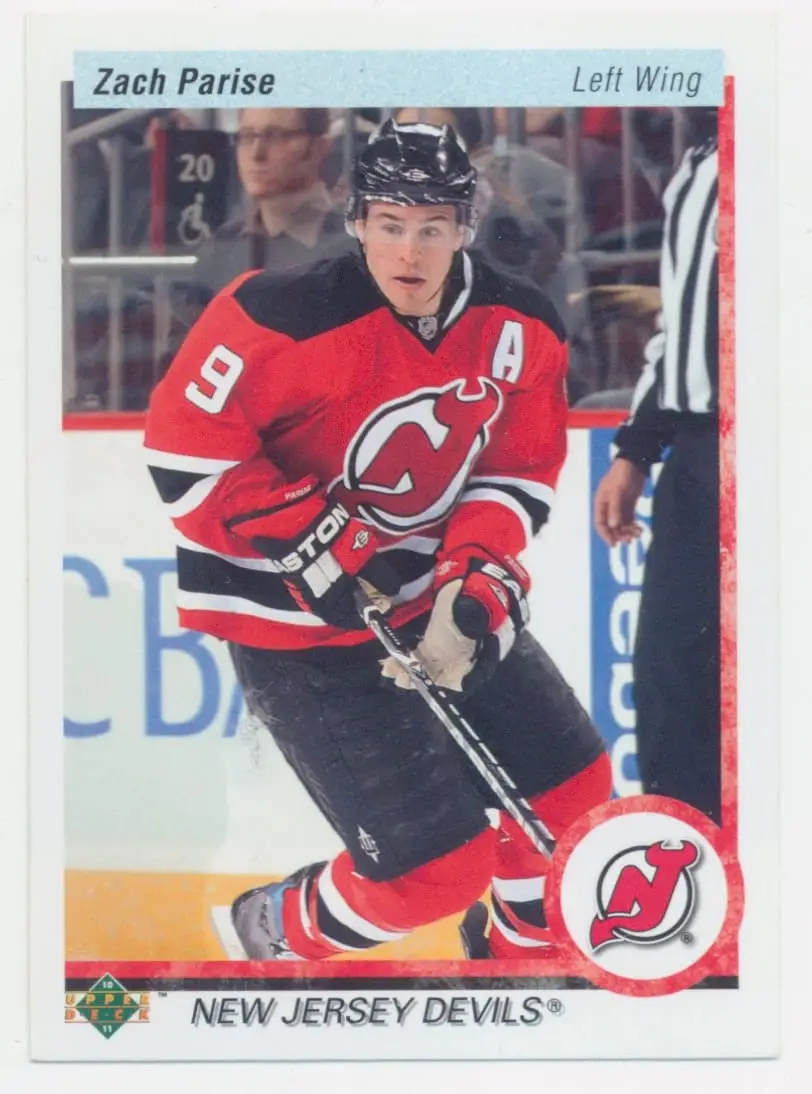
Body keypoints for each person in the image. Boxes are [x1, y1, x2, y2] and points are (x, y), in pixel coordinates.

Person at [144, 120, 611, 962]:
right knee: (431, 876)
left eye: (432, 227)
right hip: (298, 630)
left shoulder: (521, 327)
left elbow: (516, 474)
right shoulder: (275, 314)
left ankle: (518, 966)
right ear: (356, 221)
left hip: (431, 597)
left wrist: (471, 584)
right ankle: (261, 934)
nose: (409, 250)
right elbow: (185, 452)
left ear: (465, 228)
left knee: (572, 802)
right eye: (390, 224)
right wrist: (313, 537)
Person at [592, 114, 721, 823]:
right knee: (671, 674)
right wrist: (635, 451)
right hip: (699, 456)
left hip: (777, 449)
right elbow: (677, 327)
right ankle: (688, 862)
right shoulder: (699, 164)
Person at [192, 107, 352, 295]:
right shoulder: (218, 249)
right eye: (247, 136)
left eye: (275, 136)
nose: (256, 154)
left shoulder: (355, 244)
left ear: (318, 148)